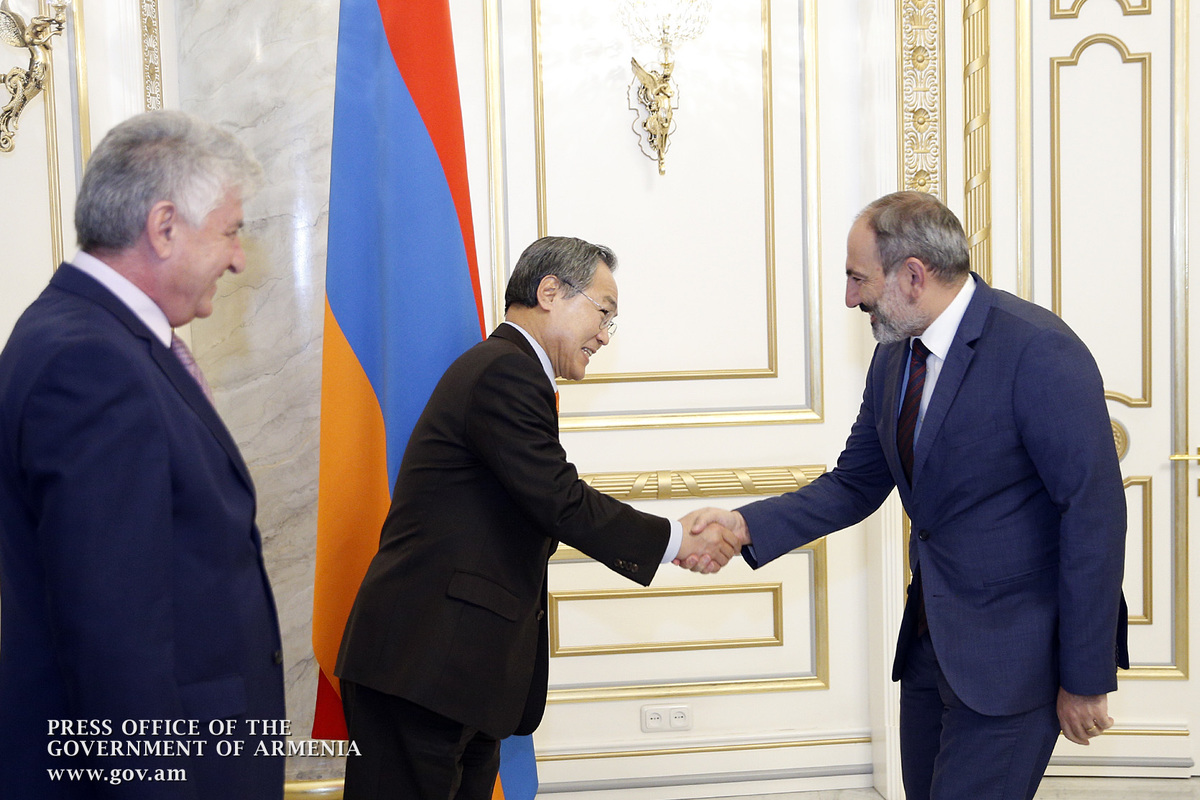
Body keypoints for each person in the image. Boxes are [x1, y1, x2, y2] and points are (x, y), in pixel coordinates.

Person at [684, 191, 1128, 800]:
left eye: (857, 278)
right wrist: (741, 525)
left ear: (914, 275)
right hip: (928, 648)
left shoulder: (1037, 350)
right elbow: (854, 483)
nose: (850, 298)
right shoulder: (894, 355)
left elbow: (1093, 516)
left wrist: (1085, 676)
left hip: (1015, 663)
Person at [335, 235, 740, 800]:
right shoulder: (504, 371)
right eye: (603, 313)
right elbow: (560, 500)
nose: (605, 335)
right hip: (422, 668)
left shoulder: (510, 370)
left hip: (457, 673)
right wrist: (677, 540)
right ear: (550, 292)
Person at [0, 110, 285, 799]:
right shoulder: (89, 363)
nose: (238, 258)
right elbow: (113, 640)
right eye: (230, 231)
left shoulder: (90, 336)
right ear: (163, 228)